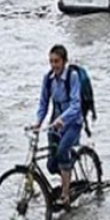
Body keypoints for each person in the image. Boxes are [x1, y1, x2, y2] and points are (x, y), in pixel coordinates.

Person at [32, 44, 83, 210]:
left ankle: (66, 195)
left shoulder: (72, 77)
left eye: (57, 61)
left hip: (73, 122)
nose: (54, 65)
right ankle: (66, 173)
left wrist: (63, 118)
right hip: (55, 123)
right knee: (51, 165)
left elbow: (76, 105)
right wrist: (38, 121)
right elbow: (43, 103)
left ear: (64, 61)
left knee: (62, 152)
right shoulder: (48, 79)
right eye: (51, 61)